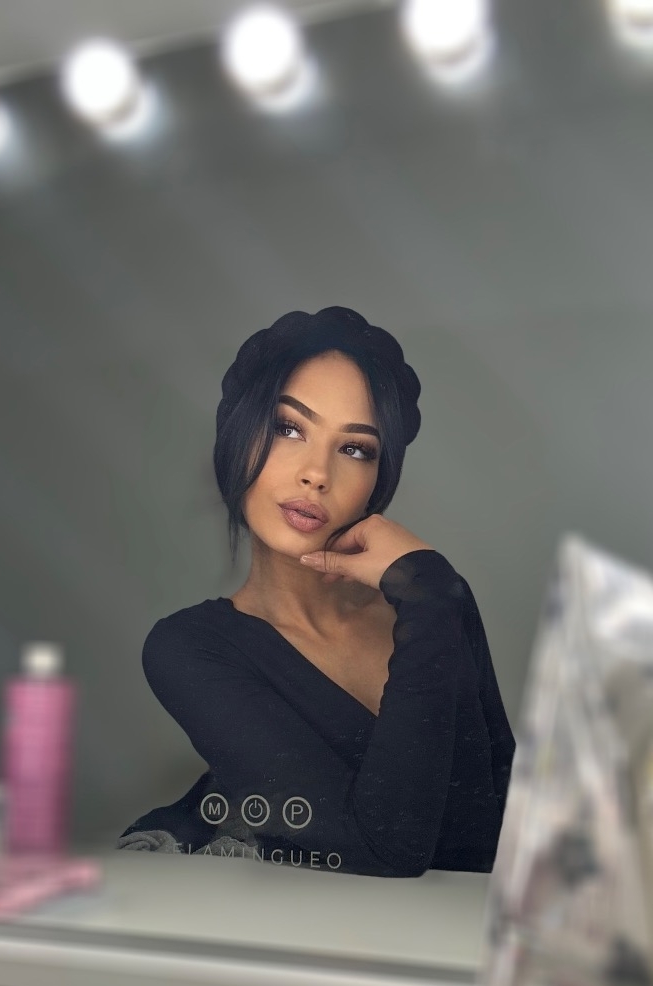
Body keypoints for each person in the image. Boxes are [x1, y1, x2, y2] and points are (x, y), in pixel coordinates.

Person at [117, 306, 516, 877]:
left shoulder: (434, 602)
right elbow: (384, 852)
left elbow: (501, 829)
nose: (317, 473)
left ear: (377, 481)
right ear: (238, 439)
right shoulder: (190, 648)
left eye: (355, 449)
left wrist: (430, 591)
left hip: (459, 929)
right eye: (289, 428)